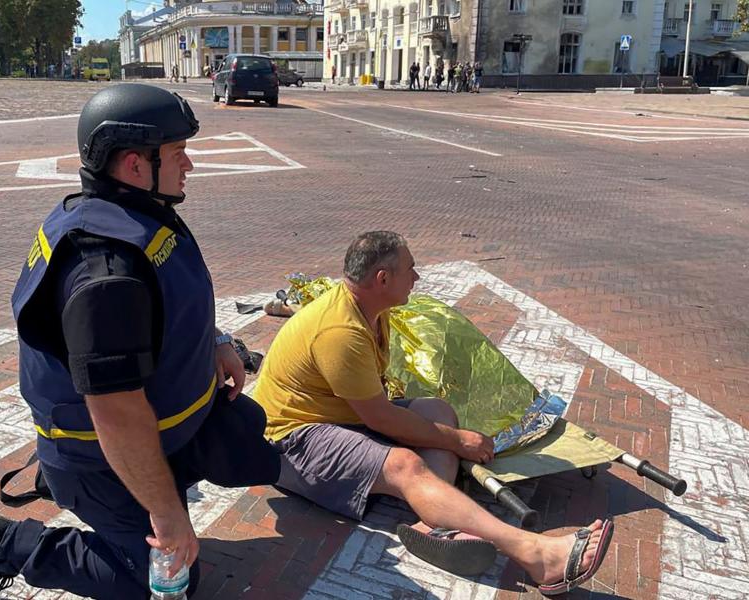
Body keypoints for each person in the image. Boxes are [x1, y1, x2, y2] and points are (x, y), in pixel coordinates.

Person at [0, 84, 280, 600]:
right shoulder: (106, 278)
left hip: (153, 425)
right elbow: (117, 415)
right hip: (94, 455)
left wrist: (216, 339)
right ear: (134, 164)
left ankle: (148, 488)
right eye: (176, 154)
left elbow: (167, 303)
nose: (189, 164)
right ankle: (11, 544)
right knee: (165, 580)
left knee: (247, 443)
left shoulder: (133, 211)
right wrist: (168, 514)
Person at [253, 231, 615, 594]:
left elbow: (377, 405)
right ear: (383, 279)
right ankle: (538, 555)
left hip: (338, 415)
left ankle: (435, 524)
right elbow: (380, 418)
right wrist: (457, 441)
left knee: (437, 410)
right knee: (405, 466)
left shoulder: (370, 309)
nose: (416, 277)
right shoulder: (340, 331)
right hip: (292, 440)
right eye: (410, 269)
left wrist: (445, 434)